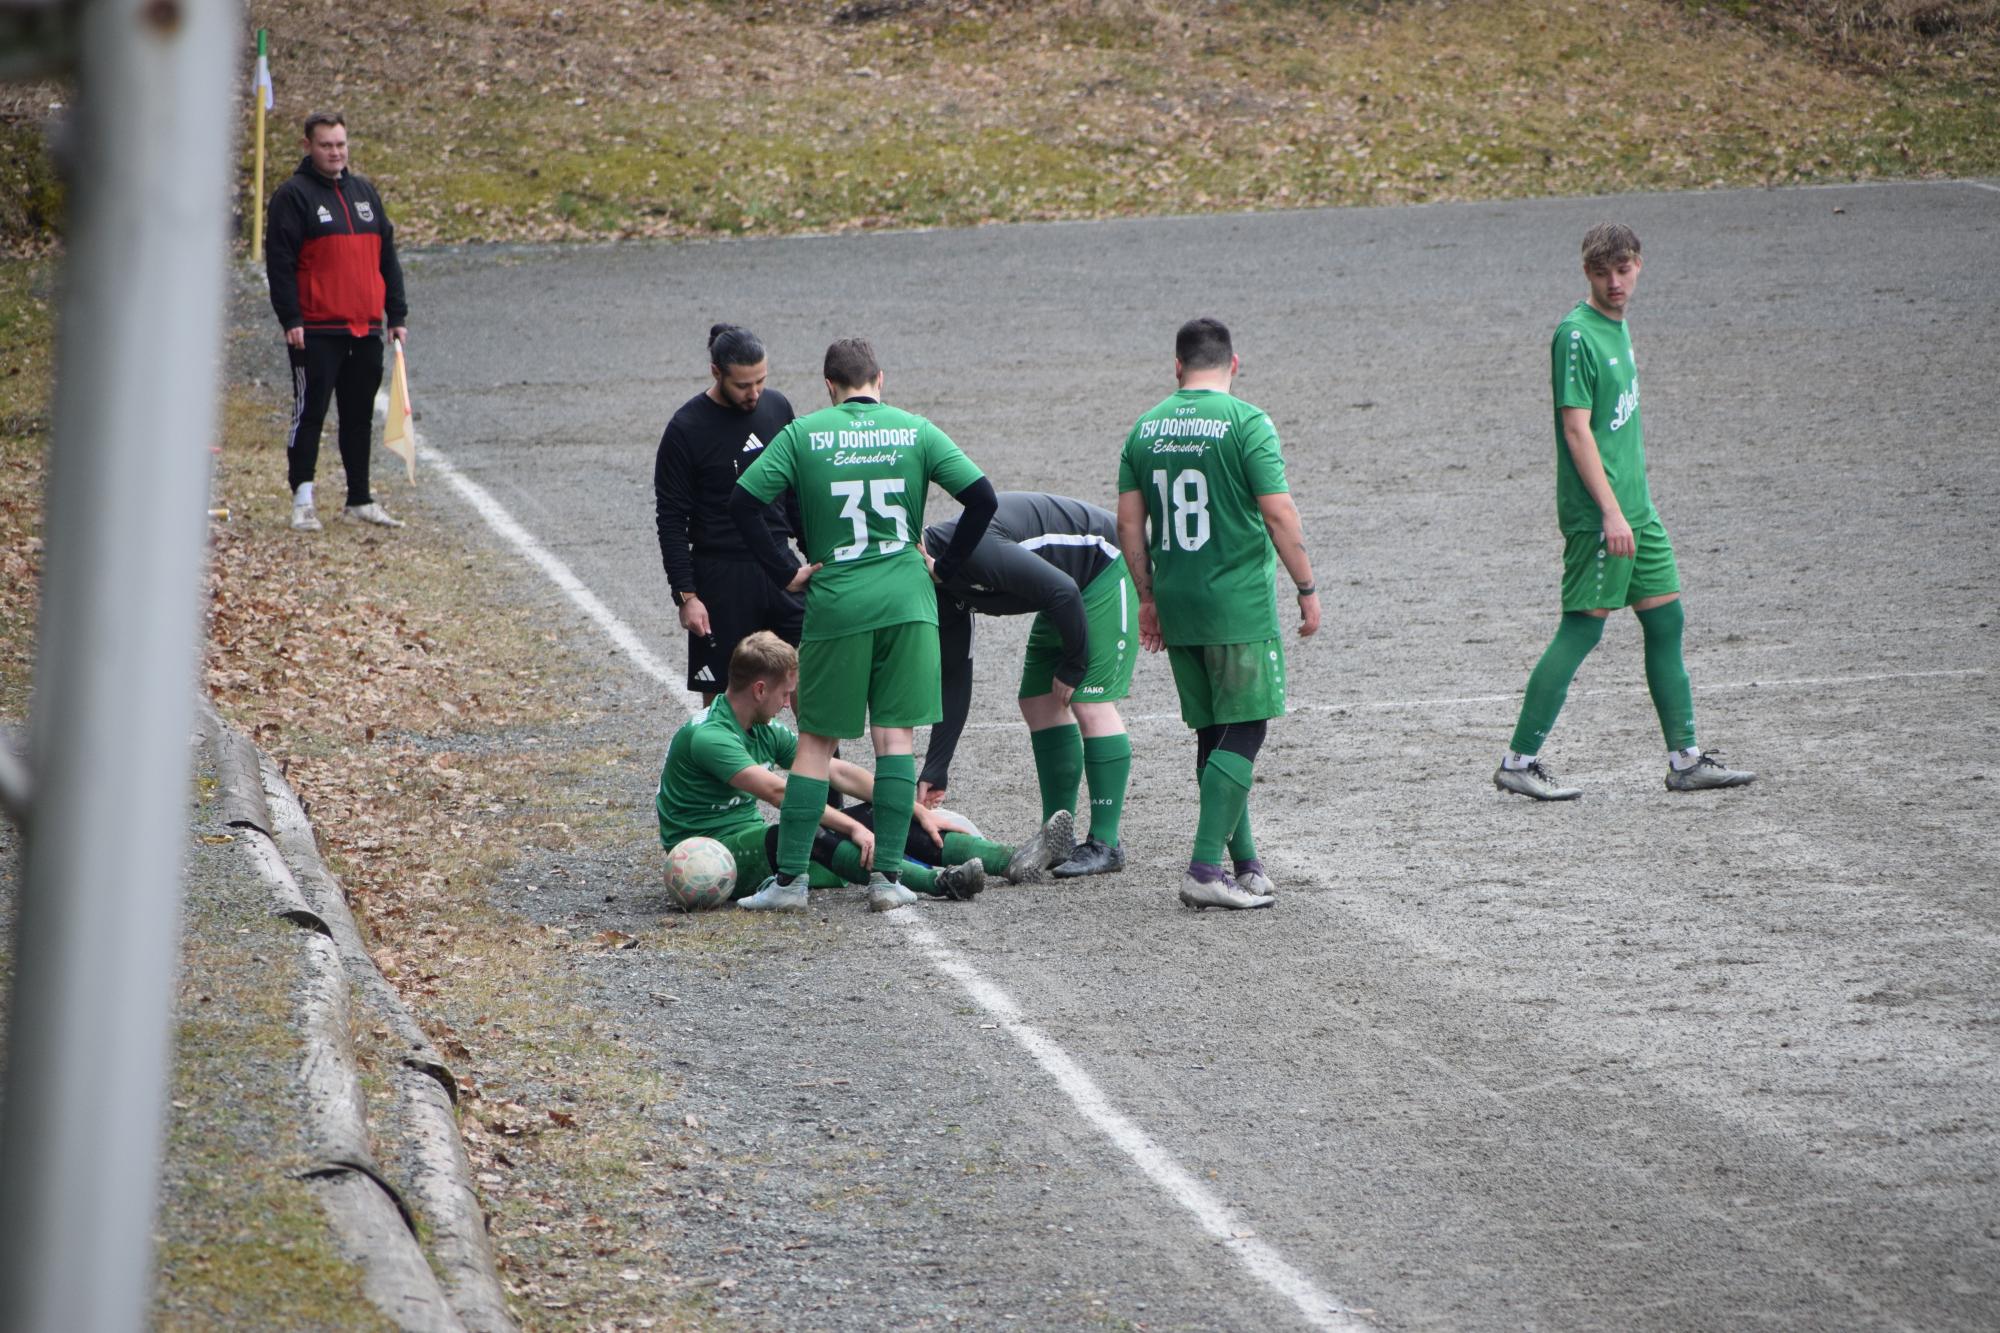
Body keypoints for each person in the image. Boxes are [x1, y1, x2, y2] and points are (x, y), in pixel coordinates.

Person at [727, 336, 1008, 913]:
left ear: (829, 385)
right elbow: (982, 498)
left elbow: (743, 503)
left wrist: (786, 571)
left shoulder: (805, 433)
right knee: (895, 740)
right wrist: (947, 567)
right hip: (907, 599)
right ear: (880, 380)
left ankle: (791, 884)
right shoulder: (916, 430)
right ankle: (886, 883)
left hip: (839, 600)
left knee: (814, 745)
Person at [1493, 224, 1755, 800]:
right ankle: (1518, 761)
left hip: (1639, 510)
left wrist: (1632, 508)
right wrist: (1611, 512)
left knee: (1666, 621)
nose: (1616, 283)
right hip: (1603, 515)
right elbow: (1575, 428)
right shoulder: (1577, 335)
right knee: (1582, 630)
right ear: (1586, 273)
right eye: (1603, 273)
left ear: (1639, 266)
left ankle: (1685, 760)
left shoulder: (1618, 325)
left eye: (1625, 269)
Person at [1117, 318, 1320, 912]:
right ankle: (1205, 868)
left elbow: (1130, 524)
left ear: (1177, 366)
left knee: (1214, 730)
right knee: (1246, 727)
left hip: (1177, 600)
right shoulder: (1247, 422)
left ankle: (1246, 864)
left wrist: (1148, 597)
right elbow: (1279, 514)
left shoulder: (1145, 427)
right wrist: (1306, 585)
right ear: (1235, 364)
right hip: (1237, 604)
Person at [654, 633, 1076, 906]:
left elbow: (837, 773)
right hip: (716, 853)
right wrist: (853, 829)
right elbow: (783, 795)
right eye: (785, 694)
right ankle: (939, 882)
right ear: (759, 688)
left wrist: (907, 807)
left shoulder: (760, 726)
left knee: (883, 817)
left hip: (753, 845)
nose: (788, 704)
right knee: (802, 830)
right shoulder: (712, 737)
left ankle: (1012, 859)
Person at [919, 493, 1136, 878]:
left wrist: (1074, 665)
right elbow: (954, 676)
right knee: (1037, 701)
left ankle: (1106, 843)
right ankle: (1056, 837)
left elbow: (1064, 590)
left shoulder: (972, 550)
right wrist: (936, 769)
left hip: (1102, 566)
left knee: (1088, 701)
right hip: (1061, 594)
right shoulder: (941, 589)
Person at [265, 112, 407, 532]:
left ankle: (359, 499)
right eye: (326, 145)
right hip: (316, 329)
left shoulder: (364, 192)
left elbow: (388, 257)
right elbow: (280, 263)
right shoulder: (293, 196)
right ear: (308, 146)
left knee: (359, 414)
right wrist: (291, 317)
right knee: (310, 412)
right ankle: (303, 499)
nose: (335, 152)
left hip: (364, 327)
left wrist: (396, 314)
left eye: (341, 144)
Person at [654, 324, 805, 703]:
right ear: (716, 372)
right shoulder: (686, 429)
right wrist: (686, 596)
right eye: (742, 385)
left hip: (779, 566)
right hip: (722, 575)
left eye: (761, 381)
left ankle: (817, 764)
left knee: (806, 682)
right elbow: (671, 519)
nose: (754, 393)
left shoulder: (778, 408)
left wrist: (813, 551)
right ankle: (729, 765)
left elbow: (795, 493)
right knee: (725, 701)